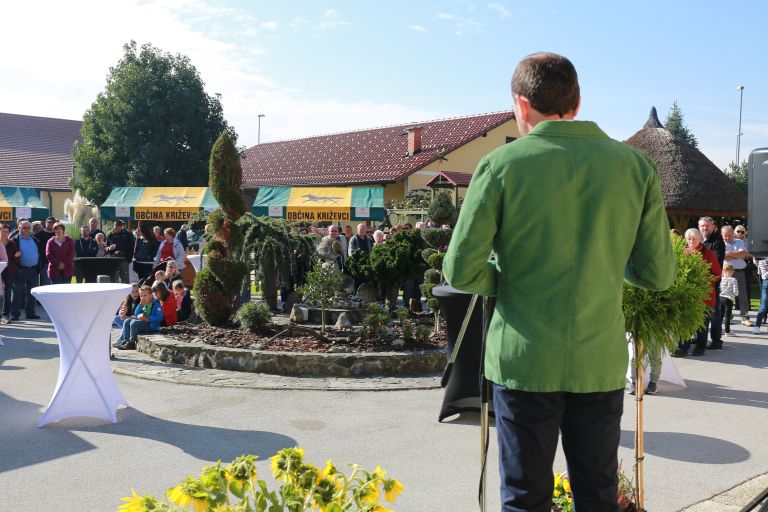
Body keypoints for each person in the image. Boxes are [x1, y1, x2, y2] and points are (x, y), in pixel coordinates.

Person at [442, 53, 677, 511]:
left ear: (520, 104)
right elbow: (658, 274)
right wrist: (607, 264)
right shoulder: (635, 167)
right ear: (577, 103)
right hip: (598, 360)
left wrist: (506, 279)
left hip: (523, 360)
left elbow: (461, 271)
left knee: (525, 498)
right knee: (598, 495)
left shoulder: (500, 165)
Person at [675, 228, 721, 355]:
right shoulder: (683, 252)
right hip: (686, 294)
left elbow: (717, 274)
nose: (691, 241)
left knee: (702, 323)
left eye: (694, 239)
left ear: (700, 239)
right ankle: (682, 347)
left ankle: (700, 347)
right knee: (685, 321)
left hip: (703, 294)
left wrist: (702, 280)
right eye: (689, 239)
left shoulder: (709, 254)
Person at [698, 216, 725, 346]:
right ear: (699, 227)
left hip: (713, 282)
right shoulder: (698, 240)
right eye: (702, 226)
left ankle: (716, 340)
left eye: (707, 225)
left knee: (714, 312)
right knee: (699, 312)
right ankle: (699, 337)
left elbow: (714, 261)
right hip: (699, 283)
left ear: (713, 227)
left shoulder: (717, 241)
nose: (705, 228)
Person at [10, 220, 44, 320]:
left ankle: (30, 313)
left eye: (28, 228)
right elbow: (10, 256)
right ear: (19, 228)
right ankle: (15, 314)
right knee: (17, 292)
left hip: (33, 270)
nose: (26, 229)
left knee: (32, 293)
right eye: (24, 227)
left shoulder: (35, 239)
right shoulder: (14, 240)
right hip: (20, 270)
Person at [114, 285, 163, 350]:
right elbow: (136, 313)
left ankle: (132, 343)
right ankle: (126, 341)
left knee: (134, 323)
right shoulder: (143, 303)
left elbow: (159, 318)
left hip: (151, 326)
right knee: (127, 321)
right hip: (144, 323)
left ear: (151, 295)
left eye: (145, 295)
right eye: (141, 296)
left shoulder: (156, 304)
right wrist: (140, 305)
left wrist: (148, 318)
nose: (143, 298)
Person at [722, 225, 753, 327]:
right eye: (725, 235)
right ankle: (728, 316)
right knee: (727, 295)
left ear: (733, 234)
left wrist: (729, 254)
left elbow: (743, 255)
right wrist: (736, 254)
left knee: (742, 295)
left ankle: (745, 318)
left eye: (729, 235)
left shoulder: (739, 242)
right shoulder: (720, 243)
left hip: (739, 272)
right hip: (726, 272)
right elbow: (722, 256)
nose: (727, 237)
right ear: (722, 235)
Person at [1, 224, 18, 324]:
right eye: (2, 231)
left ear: (9, 233)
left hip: (9, 270)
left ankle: (5, 315)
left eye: (6, 231)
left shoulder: (12, 243)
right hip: (0, 270)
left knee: (7, 293)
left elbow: (16, 258)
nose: (4, 233)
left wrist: (16, 256)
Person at [719, 263, 738, 337]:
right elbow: (736, 291)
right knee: (727, 316)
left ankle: (719, 329)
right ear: (731, 271)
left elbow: (719, 289)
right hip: (729, 299)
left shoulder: (721, 279)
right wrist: (735, 295)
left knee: (720, 315)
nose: (733, 272)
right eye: (732, 271)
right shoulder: (733, 280)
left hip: (721, 298)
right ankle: (727, 331)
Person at [36, 217, 56, 286]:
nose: (51, 224)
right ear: (45, 223)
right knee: (45, 284)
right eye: (49, 222)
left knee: (56, 284)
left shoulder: (58, 234)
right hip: (44, 263)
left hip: (56, 262)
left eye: (53, 222)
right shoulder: (38, 235)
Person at [752, 257, 768, 335]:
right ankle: (757, 327)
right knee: (763, 306)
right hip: (766, 284)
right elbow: (764, 275)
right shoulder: (762, 261)